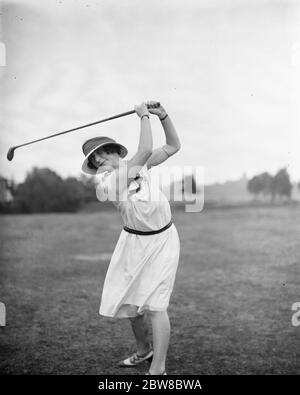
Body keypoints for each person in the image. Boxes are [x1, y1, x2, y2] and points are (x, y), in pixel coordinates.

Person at [81, 101, 181, 375]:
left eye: (98, 154)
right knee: (133, 306)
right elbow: (146, 149)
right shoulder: (108, 183)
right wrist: (143, 117)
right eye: (92, 160)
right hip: (134, 243)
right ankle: (143, 350)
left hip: (163, 240)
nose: (97, 161)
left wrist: (163, 116)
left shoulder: (139, 165)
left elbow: (172, 146)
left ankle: (157, 369)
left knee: (156, 304)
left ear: (112, 150)